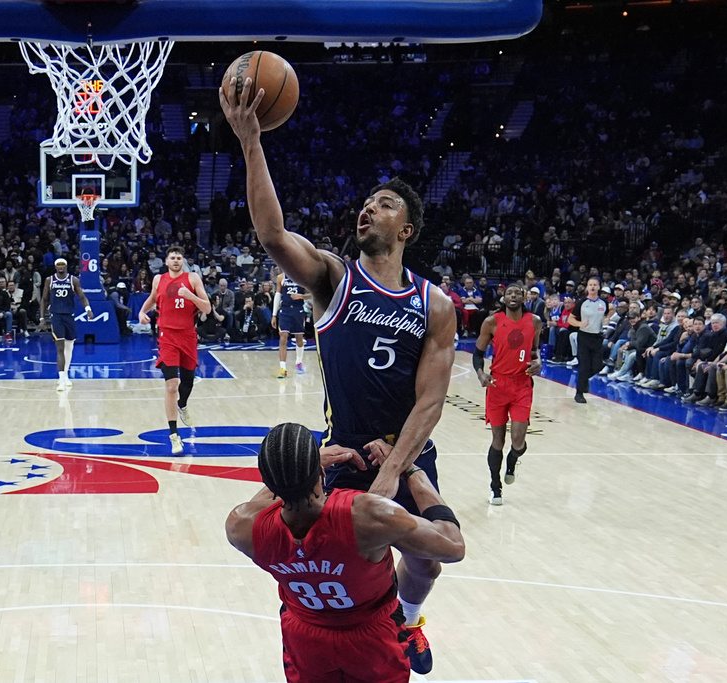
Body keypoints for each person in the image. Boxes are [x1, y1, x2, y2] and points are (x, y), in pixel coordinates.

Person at [222, 81, 457, 675]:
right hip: (346, 448)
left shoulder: (435, 304)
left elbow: (431, 400)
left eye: (384, 203)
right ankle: (327, 629)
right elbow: (273, 236)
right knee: (340, 568)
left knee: (425, 562)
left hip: (405, 450)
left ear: (406, 229)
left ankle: (406, 622)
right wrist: (252, 141)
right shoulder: (335, 279)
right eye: (367, 201)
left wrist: (397, 468)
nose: (369, 208)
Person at [226, 423, 464, 683]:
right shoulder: (365, 515)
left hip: (304, 640)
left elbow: (257, 505)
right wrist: (410, 469)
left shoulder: (241, 527)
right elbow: (453, 547)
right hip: (372, 638)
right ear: (319, 472)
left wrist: (295, 470)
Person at [138, 246, 212, 454]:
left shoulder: (193, 279)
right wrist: (142, 311)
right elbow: (153, 298)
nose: (176, 260)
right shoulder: (158, 280)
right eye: (173, 257)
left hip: (188, 335)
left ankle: (183, 404)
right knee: (172, 385)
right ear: (167, 261)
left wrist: (191, 296)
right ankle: (174, 435)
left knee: (187, 382)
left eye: (179, 257)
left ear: (183, 261)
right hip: (167, 336)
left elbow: (207, 308)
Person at [473, 283, 542, 505]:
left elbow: (534, 350)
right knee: (497, 440)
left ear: (524, 298)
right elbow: (478, 353)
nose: (513, 296)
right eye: (509, 293)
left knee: (518, 441)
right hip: (497, 384)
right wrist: (480, 373)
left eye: (517, 293)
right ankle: (495, 486)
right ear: (504, 298)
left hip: (522, 384)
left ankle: (512, 462)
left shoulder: (534, 322)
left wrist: (539, 362)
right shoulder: (491, 322)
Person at [38, 258, 93, 391]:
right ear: (55, 267)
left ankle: (66, 375)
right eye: (58, 265)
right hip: (56, 316)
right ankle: (61, 379)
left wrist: (88, 309)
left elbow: (82, 297)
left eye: (63, 265)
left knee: (70, 348)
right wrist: (41, 318)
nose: (61, 267)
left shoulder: (73, 280)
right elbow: (44, 299)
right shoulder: (49, 280)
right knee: (60, 348)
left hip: (69, 316)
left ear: (67, 266)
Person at [567, 276, 609, 403]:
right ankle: (579, 393)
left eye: (595, 285)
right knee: (584, 366)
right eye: (590, 284)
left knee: (598, 366)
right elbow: (570, 319)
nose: (592, 287)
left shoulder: (604, 303)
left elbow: (607, 315)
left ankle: (584, 380)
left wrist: (606, 321)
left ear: (599, 287)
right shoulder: (581, 302)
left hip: (597, 337)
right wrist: (579, 324)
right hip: (584, 336)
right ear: (587, 287)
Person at [273, 267, 309, 377]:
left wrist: (301, 296)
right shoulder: (281, 277)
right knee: (283, 336)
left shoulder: (302, 278)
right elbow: (278, 296)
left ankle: (298, 362)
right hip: (285, 310)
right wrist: (274, 314)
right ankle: (283, 367)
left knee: (299, 338)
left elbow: (312, 295)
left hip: (298, 310)